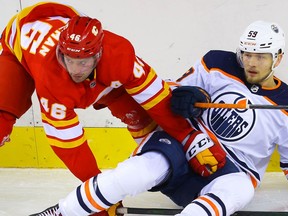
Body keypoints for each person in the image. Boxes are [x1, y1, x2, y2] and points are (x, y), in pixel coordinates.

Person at [29, 20, 288, 216]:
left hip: (233, 169)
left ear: (278, 57)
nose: (251, 63)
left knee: (240, 190)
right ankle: (64, 210)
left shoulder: (285, 104)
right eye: (247, 54)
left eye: (261, 56)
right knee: (134, 173)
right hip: (185, 145)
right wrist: (186, 94)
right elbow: (171, 91)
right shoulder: (216, 62)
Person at [0, 2, 226, 216]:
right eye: (69, 59)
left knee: (141, 116)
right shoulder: (51, 77)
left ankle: (170, 166)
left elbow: (156, 98)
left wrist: (189, 137)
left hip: (62, 21)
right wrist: (99, 194)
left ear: (99, 54)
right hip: (18, 48)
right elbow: (68, 145)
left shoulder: (119, 54)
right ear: (61, 52)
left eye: (83, 61)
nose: (75, 70)